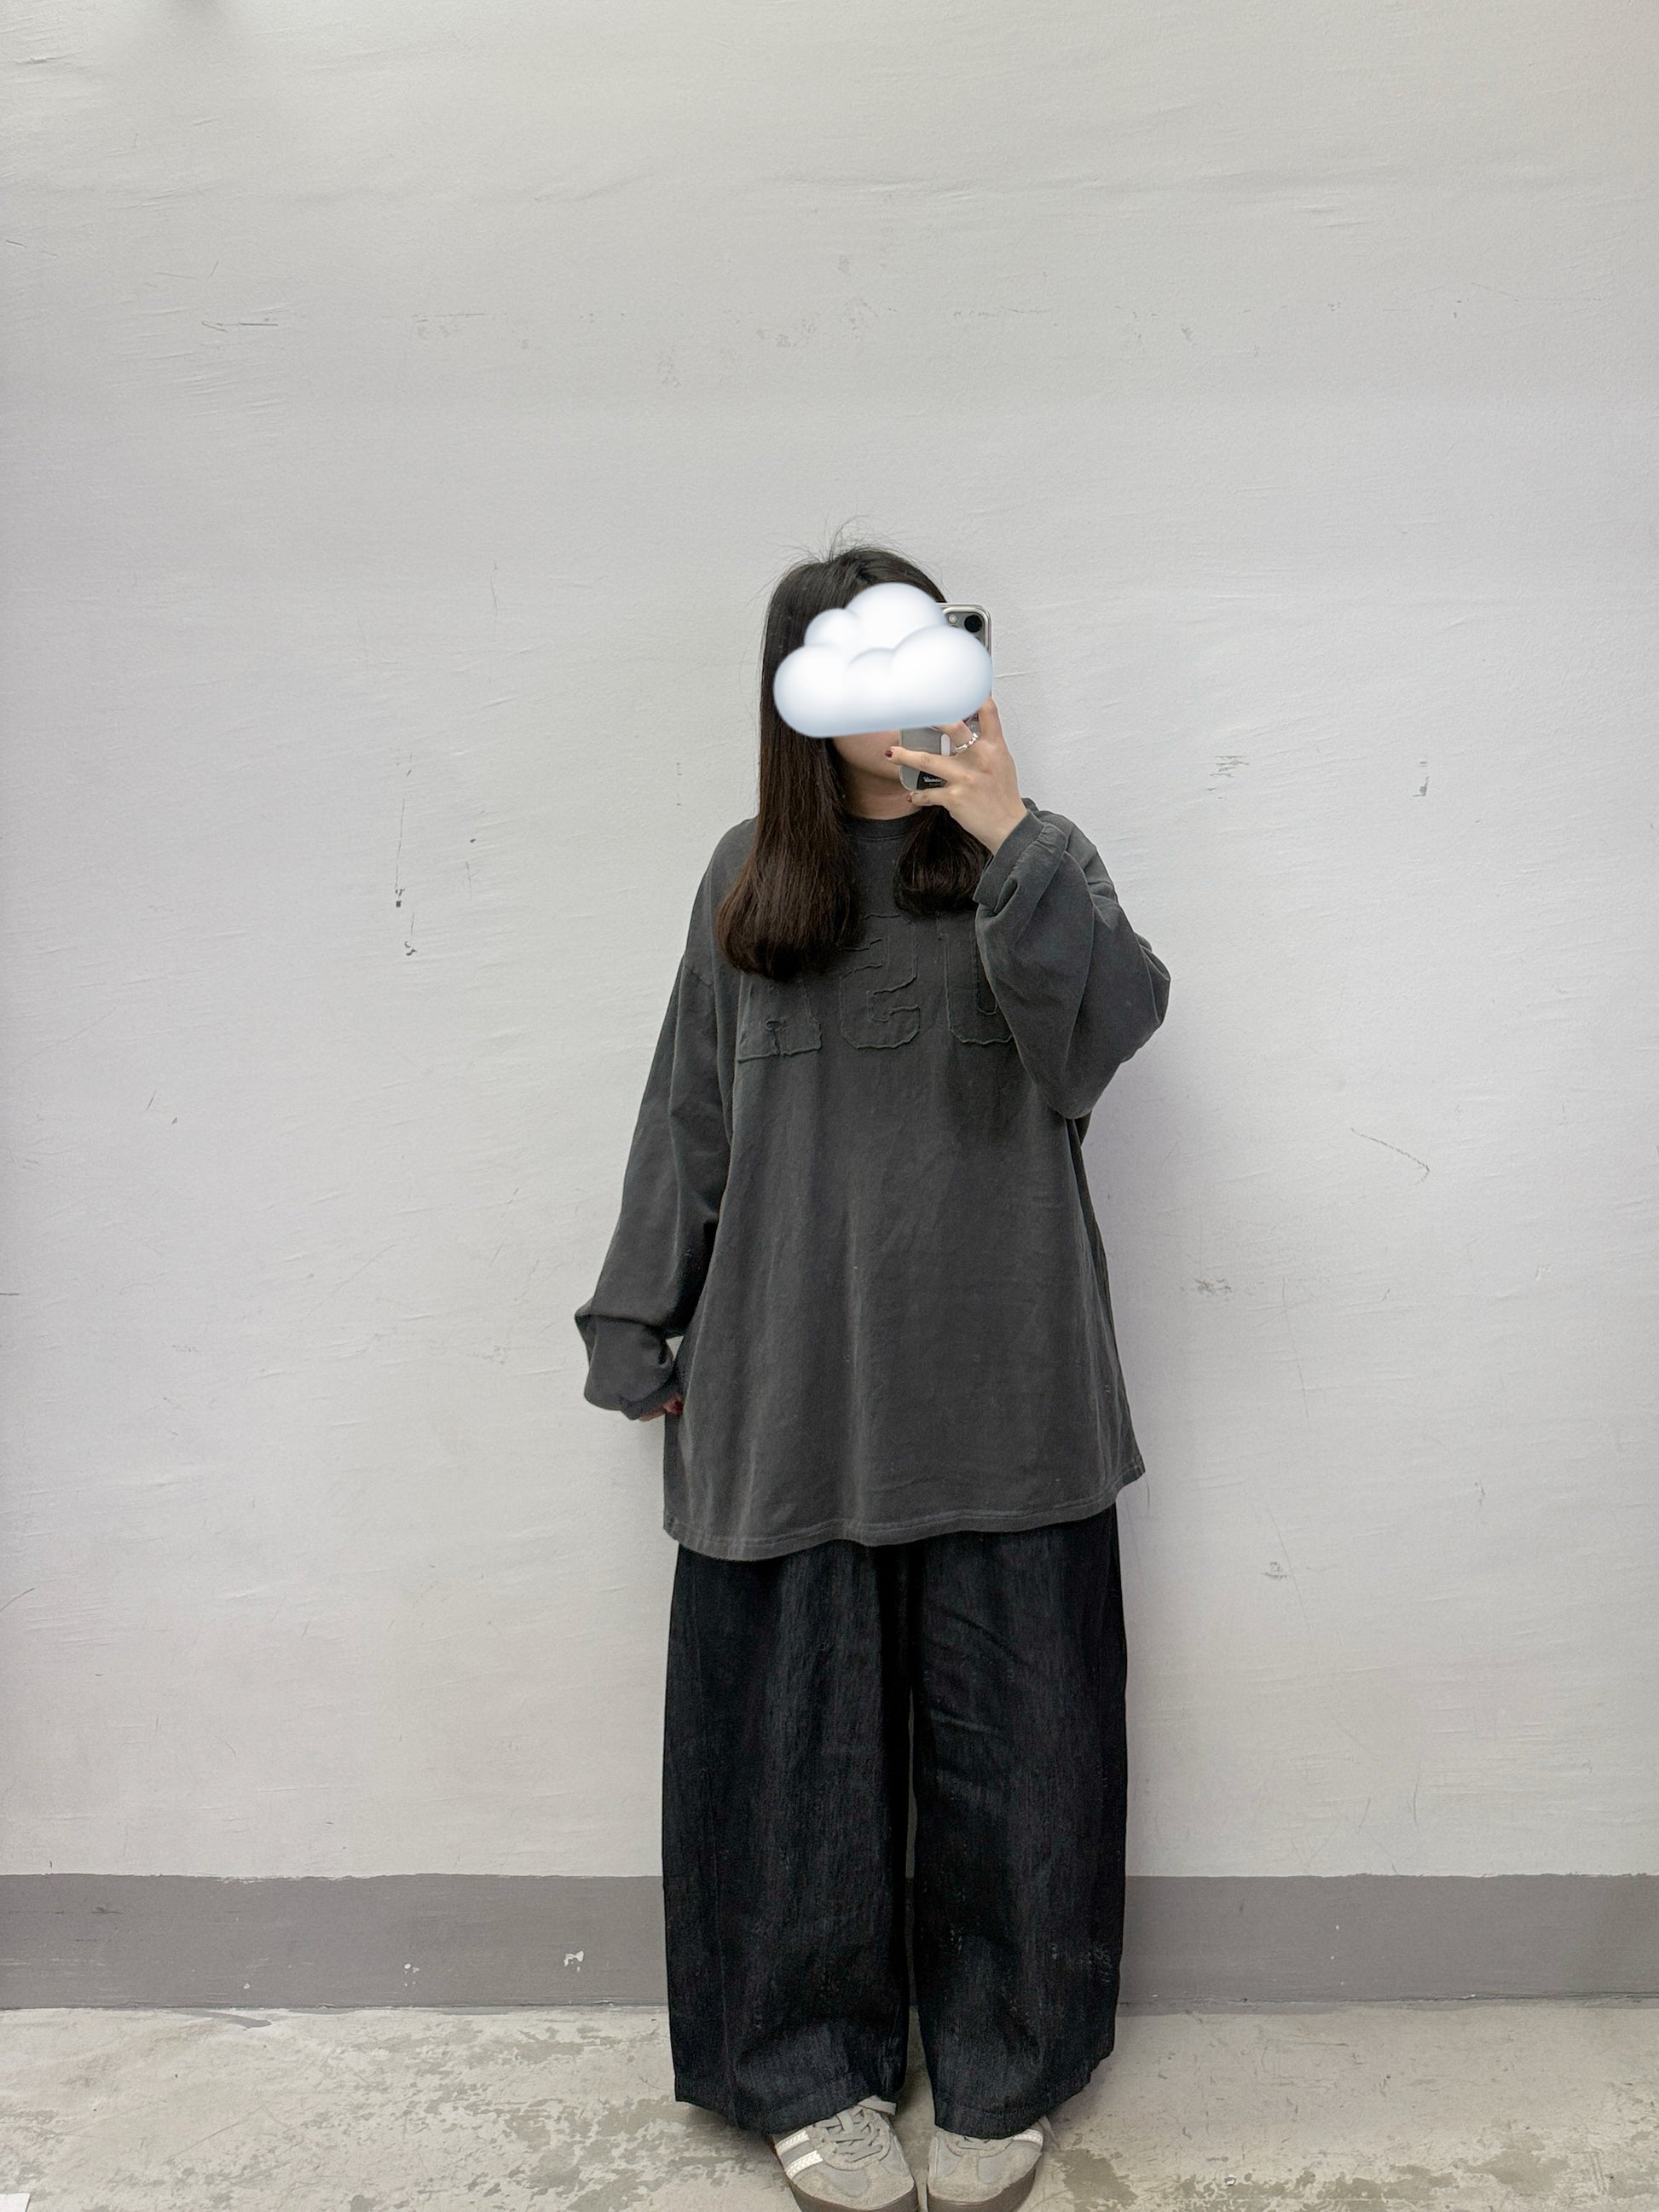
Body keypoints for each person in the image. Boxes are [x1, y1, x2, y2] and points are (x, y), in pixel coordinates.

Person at [574, 541, 1171, 2212]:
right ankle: (804, 2070)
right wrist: (638, 1319)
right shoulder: (745, 879)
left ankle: (1002, 2065)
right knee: (787, 1759)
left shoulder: (1035, 860)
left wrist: (1008, 834)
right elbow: (690, 1111)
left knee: (1022, 1749)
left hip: (1008, 1380)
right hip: (792, 1386)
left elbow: (1108, 1036)